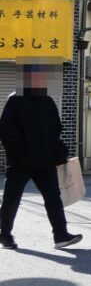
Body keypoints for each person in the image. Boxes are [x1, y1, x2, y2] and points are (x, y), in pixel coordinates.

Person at [0, 65, 82, 250]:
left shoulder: (47, 100)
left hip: (44, 161)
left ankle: (61, 235)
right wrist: (18, 154)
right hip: (20, 162)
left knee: (54, 197)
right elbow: (6, 130)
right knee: (12, 199)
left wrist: (58, 153)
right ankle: (5, 235)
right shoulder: (15, 99)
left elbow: (56, 130)